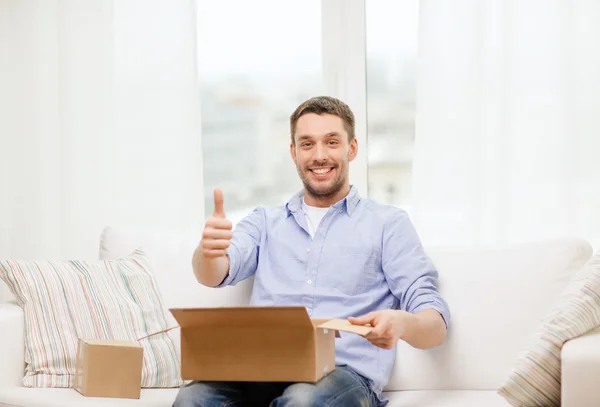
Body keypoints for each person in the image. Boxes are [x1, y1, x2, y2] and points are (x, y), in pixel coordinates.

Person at [174, 96, 450, 407]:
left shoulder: (389, 224)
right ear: (293, 152)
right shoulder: (264, 222)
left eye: (331, 142)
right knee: (192, 399)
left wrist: (401, 323)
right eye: (307, 144)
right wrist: (207, 252)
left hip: (342, 375)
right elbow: (214, 273)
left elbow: (435, 325)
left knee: (302, 401)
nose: (319, 155)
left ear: (352, 148)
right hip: (258, 370)